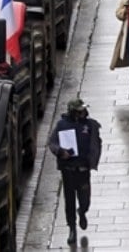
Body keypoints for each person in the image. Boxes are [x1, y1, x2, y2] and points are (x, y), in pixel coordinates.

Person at [47, 99, 102, 246]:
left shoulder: (89, 125)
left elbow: (96, 142)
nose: (82, 112)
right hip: (68, 170)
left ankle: (82, 212)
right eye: (79, 110)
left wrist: (93, 158)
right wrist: (60, 152)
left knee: (85, 199)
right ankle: (72, 227)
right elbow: (52, 143)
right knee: (69, 201)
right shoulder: (62, 125)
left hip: (83, 170)